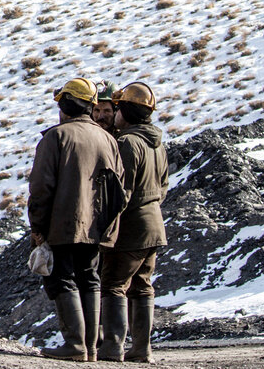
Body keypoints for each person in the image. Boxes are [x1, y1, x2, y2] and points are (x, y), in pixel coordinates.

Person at [28, 76, 124, 362]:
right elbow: (119, 188)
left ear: (67, 105)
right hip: (96, 227)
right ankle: (92, 348)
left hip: (62, 224)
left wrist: (38, 228)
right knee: (90, 279)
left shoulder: (55, 138)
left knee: (63, 279)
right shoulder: (108, 139)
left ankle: (75, 345)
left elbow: (41, 188)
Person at [99, 82, 168, 363]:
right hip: (154, 226)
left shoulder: (128, 143)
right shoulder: (157, 144)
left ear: (124, 111)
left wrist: (105, 225)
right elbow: (163, 186)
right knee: (142, 286)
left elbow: (121, 193)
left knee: (114, 283)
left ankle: (112, 347)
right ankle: (142, 349)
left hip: (131, 229)